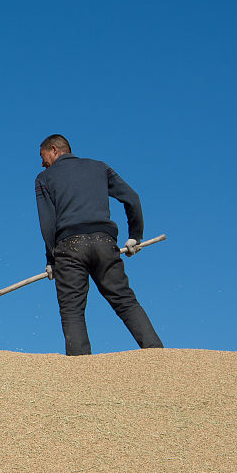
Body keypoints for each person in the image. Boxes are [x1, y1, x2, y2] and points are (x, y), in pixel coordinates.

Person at [34, 134, 163, 356]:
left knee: (72, 310)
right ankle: (158, 355)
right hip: (105, 243)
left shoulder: (44, 178)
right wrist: (135, 236)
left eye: (42, 156)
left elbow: (48, 223)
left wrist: (51, 259)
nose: (42, 163)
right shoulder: (100, 167)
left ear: (54, 149)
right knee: (125, 301)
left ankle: (81, 370)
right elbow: (132, 198)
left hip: (69, 247)